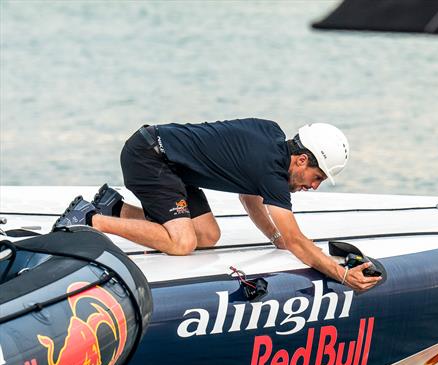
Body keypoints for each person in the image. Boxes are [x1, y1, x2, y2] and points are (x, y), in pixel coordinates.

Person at [53, 119, 380, 292]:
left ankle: (115, 209)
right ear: (301, 158)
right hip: (150, 157)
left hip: (171, 163)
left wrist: (274, 238)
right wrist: (342, 275)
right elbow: (297, 240)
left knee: (207, 235)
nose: (313, 185)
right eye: (316, 176)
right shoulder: (271, 171)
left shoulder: (271, 140)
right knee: (183, 244)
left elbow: (248, 197)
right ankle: (89, 218)